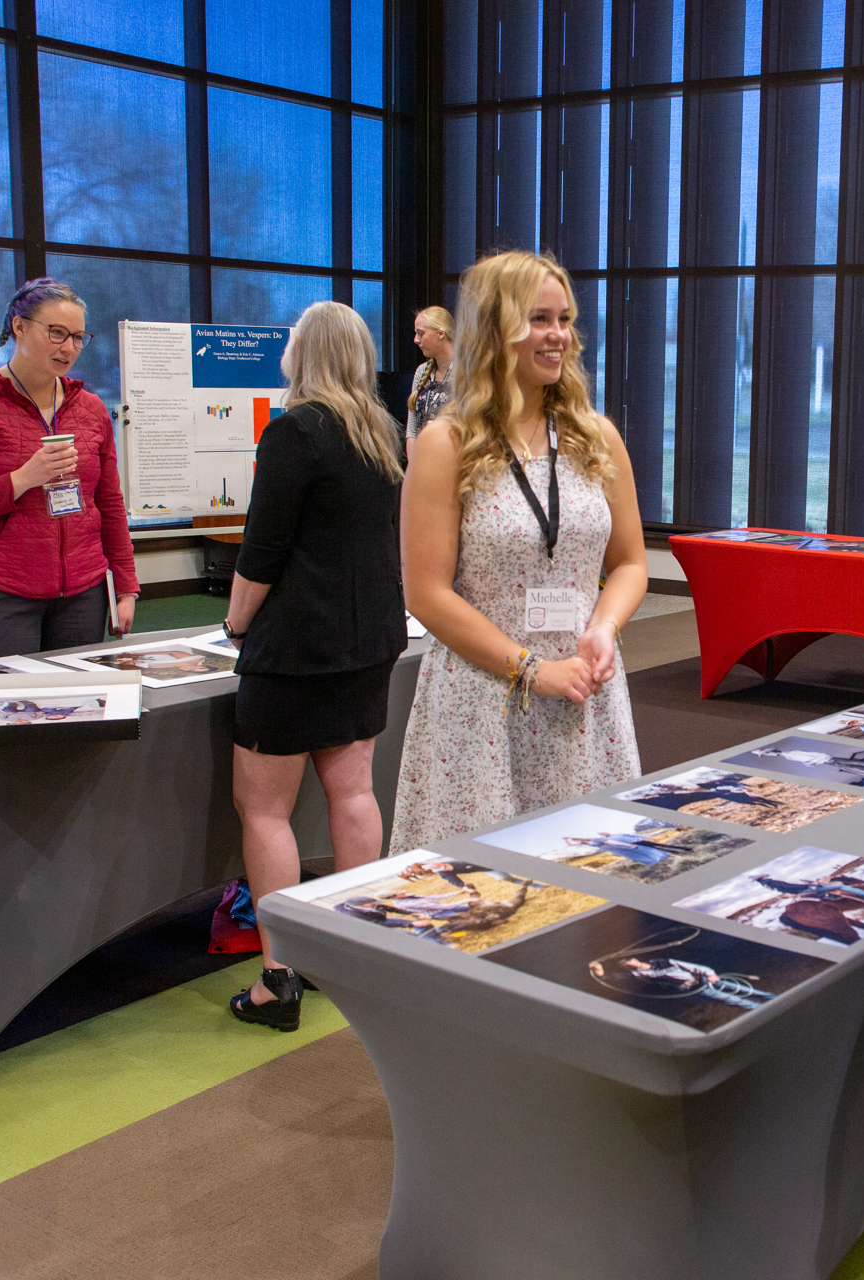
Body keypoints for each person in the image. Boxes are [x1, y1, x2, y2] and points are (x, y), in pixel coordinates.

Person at [389, 249, 645, 850]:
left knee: (590, 883)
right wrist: (531, 670)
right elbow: (425, 592)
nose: (558, 336)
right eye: (539, 319)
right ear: (494, 329)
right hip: (484, 700)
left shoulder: (594, 436)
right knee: (477, 898)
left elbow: (630, 561)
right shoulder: (444, 444)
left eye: (564, 320)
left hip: (585, 696)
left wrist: (605, 627)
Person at [223, 301, 408, 1032]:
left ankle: (279, 978)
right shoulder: (380, 432)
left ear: (310, 353)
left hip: (295, 648)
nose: (286, 344)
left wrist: (237, 622)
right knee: (353, 793)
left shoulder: (294, 429)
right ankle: (349, 948)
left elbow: (262, 551)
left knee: (263, 808)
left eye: (293, 337)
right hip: (367, 641)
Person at [0, 279, 139, 659]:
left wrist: (125, 586)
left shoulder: (90, 409)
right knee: (5, 712)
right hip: (1, 590)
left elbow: (107, 502)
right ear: (19, 326)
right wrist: (22, 480)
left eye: (77, 337)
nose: (69, 348)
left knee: (77, 709)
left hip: (83, 593)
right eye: (57, 333)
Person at [406, 306, 455, 444]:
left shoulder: (465, 372)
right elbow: (412, 429)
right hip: (422, 456)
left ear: (440, 334)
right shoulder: (422, 371)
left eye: (421, 333)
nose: (416, 339)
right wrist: (414, 462)